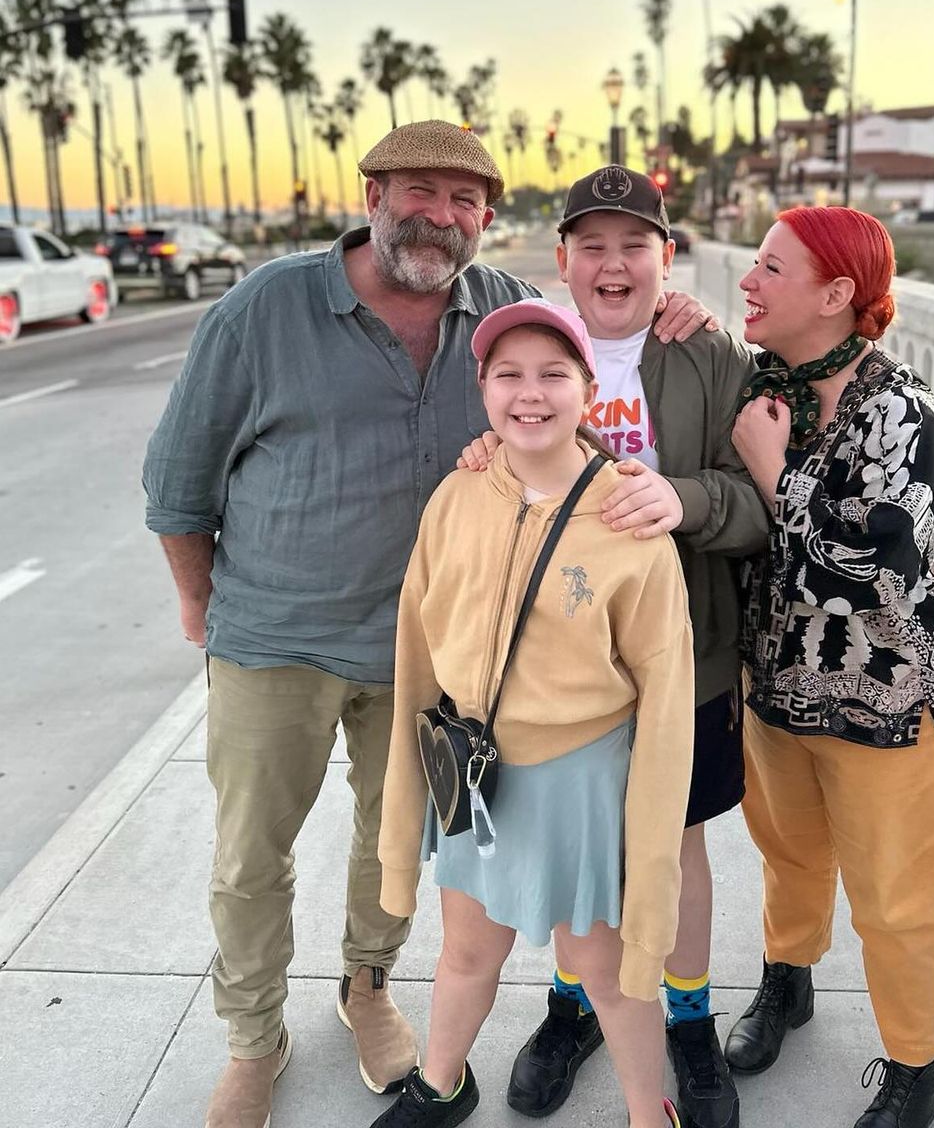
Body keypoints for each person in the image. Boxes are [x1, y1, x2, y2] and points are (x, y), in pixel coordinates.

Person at [141, 120, 716, 1128]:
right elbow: (179, 478)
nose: (438, 216)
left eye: (463, 202)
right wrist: (201, 604)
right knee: (249, 854)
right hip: (278, 636)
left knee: (390, 842)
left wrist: (679, 310)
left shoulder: (498, 308)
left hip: (435, 669)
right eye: (418, 191)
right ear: (371, 195)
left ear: (486, 220)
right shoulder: (269, 307)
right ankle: (251, 1037)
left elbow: (578, 364)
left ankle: (367, 990)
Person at [459, 165, 769, 1128]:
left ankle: (686, 1021)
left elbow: (761, 503)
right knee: (572, 845)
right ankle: (575, 1007)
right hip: (559, 670)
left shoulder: (711, 353)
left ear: (665, 258)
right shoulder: (538, 350)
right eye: (591, 244)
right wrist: (485, 462)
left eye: (634, 244)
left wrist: (686, 499)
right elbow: (500, 459)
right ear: (561, 260)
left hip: (689, 652)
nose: (613, 263)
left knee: (675, 848)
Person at [374, 300, 696, 1128]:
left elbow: (664, 695)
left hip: (579, 775)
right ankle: (440, 1083)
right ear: (481, 388)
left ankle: (645, 1113)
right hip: (478, 771)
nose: (530, 394)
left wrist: (651, 844)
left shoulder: (629, 518)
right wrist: (406, 802)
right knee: (468, 950)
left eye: (553, 374)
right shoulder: (457, 497)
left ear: (590, 388)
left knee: (608, 971)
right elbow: (417, 641)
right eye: (507, 374)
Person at [726, 205, 934, 1128]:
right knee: (788, 852)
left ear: (835, 294)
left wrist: (773, 471)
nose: (748, 282)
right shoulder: (766, 383)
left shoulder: (904, 412)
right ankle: (787, 983)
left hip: (891, 697)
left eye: (771, 269)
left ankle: (915, 1065)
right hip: (779, 684)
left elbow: (881, 571)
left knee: (897, 897)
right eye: (751, 263)